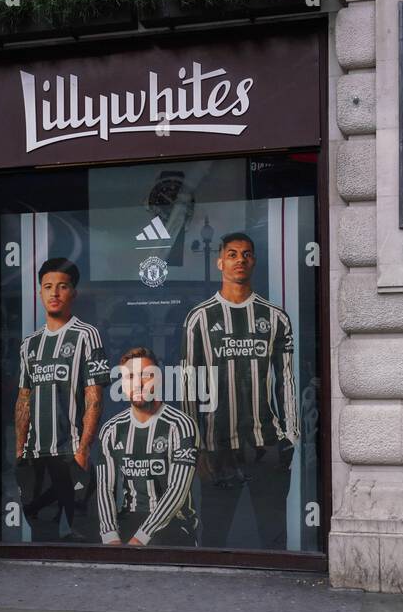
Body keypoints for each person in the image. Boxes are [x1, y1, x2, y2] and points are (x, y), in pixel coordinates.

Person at [181, 233, 298, 549]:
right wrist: (196, 447)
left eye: (246, 254)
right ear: (220, 262)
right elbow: (190, 384)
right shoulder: (199, 319)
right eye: (232, 254)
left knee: (273, 535)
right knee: (214, 536)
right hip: (217, 447)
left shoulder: (275, 317)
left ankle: (276, 590)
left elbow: (285, 380)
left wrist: (290, 438)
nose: (240, 260)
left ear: (254, 261)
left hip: (267, 444)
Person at [13, 257, 108, 542]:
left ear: (73, 293)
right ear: (39, 293)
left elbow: (95, 397)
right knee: (41, 530)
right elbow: (23, 399)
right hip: (35, 455)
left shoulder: (88, 335)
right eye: (47, 287)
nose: (54, 293)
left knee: (81, 530)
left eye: (62, 287)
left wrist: (83, 449)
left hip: (71, 453)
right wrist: (20, 451)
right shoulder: (29, 344)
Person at [96, 347, 199, 547]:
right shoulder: (111, 430)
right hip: (129, 519)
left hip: (173, 522)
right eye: (130, 377)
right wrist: (110, 537)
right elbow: (105, 489)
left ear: (159, 378)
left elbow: (177, 490)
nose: (138, 383)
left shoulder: (181, 425)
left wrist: (140, 539)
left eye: (146, 375)